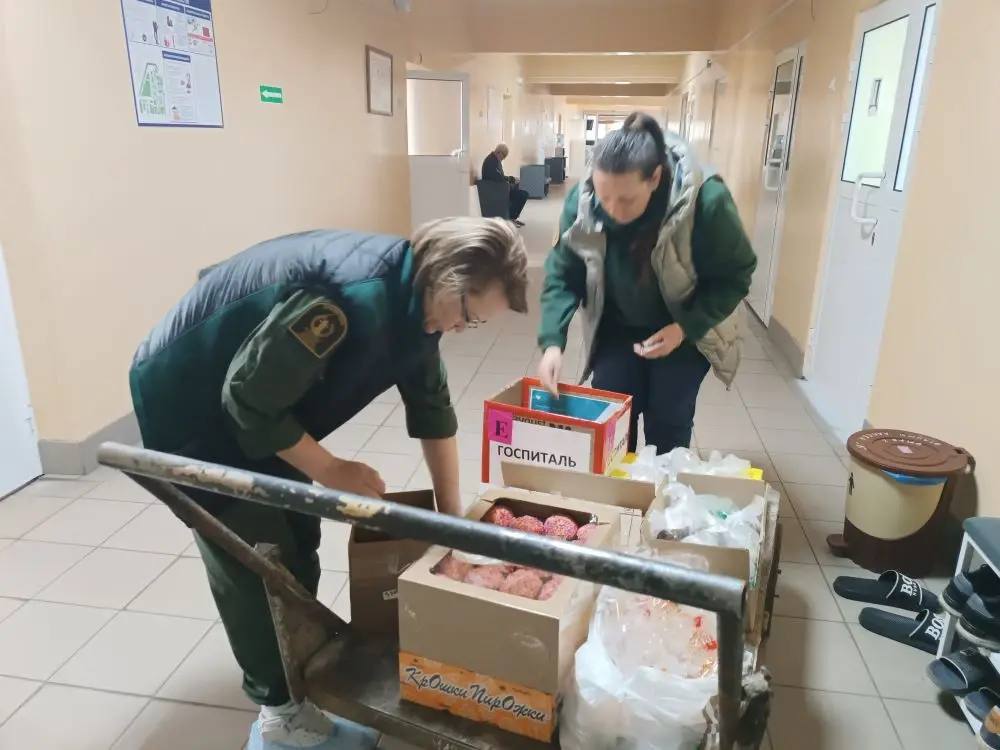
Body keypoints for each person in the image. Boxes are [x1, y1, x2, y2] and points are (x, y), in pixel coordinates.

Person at [130, 218, 528, 750]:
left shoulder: (418, 302)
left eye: (473, 325)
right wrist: (333, 469)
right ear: (446, 275)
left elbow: (432, 408)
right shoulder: (345, 301)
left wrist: (453, 522)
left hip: (266, 407)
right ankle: (278, 712)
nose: (460, 329)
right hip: (192, 409)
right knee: (256, 557)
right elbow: (246, 400)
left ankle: (298, 676)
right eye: (467, 315)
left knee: (298, 535)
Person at [537, 112, 756, 455]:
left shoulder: (705, 200)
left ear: (654, 178)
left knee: (669, 422)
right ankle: (618, 488)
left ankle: (662, 484)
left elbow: (735, 275)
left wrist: (684, 328)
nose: (612, 210)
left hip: (683, 330)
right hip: (616, 329)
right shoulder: (583, 200)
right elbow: (563, 272)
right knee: (613, 420)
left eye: (626, 200)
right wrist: (552, 342)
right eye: (604, 197)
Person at [481, 143, 529, 227]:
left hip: (499, 188)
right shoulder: (490, 162)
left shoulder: (495, 160)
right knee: (522, 195)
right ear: (499, 152)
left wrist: (511, 179)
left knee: (522, 193)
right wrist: (509, 182)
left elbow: (500, 177)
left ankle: (512, 218)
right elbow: (497, 178)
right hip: (495, 191)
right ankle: (510, 219)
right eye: (503, 157)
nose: (502, 159)